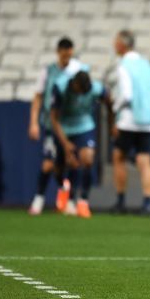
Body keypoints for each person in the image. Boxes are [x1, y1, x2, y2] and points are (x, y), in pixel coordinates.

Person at [27, 37, 87, 215]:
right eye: (63, 54)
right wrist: (33, 122)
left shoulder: (78, 70)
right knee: (48, 164)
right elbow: (38, 96)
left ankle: (68, 200)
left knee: (73, 162)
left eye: (69, 54)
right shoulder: (49, 71)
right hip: (52, 124)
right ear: (58, 52)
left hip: (73, 126)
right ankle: (39, 198)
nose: (66, 58)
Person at [110, 30, 150, 214]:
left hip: (129, 119)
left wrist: (114, 108)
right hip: (148, 119)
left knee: (119, 157)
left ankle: (121, 200)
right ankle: (148, 202)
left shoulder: (124, 65)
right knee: (144, 161)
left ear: (122, 45)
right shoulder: (146, 64)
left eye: (116, 42)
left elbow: (127, 94)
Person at [49, 70, 108, 218]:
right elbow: (54, 119)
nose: (81, 94)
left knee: (87, 160)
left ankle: (83, 201)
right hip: (63, 127)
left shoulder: (96, 88)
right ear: (74, 84)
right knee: (59, 168)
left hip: (84, 126)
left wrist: (112, 123)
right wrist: (66, 144)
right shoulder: (60, 88)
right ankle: (65, 194)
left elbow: (109, 100)